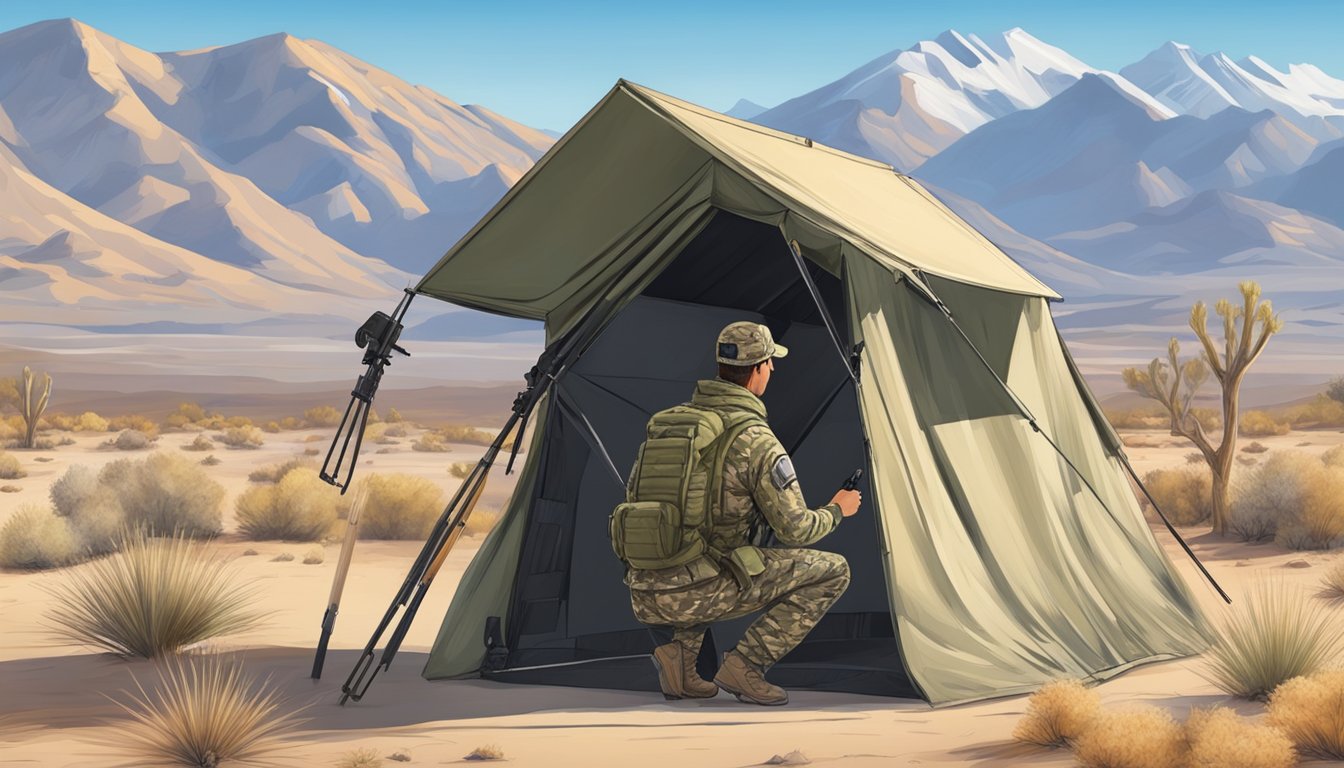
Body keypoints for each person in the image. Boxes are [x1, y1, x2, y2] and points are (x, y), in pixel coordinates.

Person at [623, 321, 861, 706]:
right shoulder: (756, 439)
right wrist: (837, 509)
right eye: (770, 362)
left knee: (707, 546)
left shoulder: (669, 426)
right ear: (757, 369)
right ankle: (746, 666)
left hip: (646, 590)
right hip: (700, 592)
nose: (772, 370)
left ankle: (680, 664)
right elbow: (796, 530)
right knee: (833, 571)